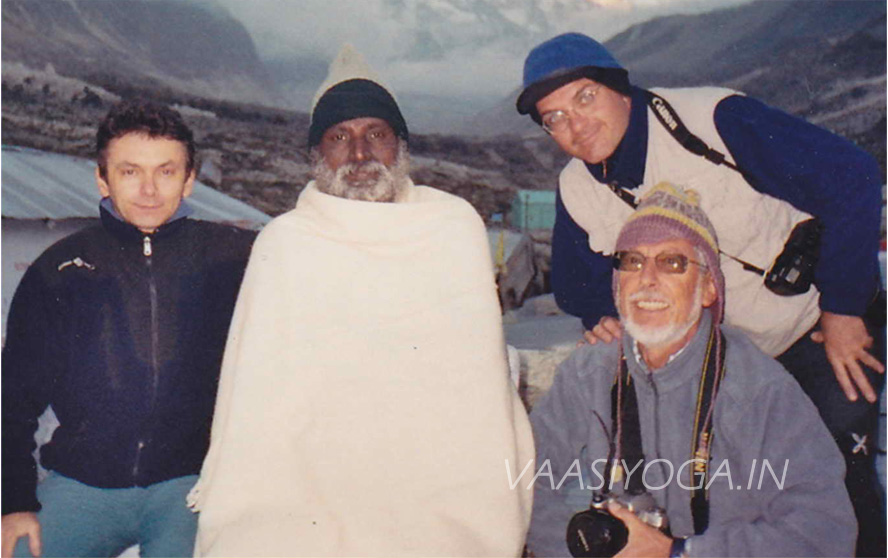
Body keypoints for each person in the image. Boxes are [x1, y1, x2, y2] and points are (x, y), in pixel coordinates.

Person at [515, 32, 885, 556]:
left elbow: (852, 176)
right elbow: (576, 282)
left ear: (622, 90)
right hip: (721, 363)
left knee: (837, 480)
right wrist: (600, 313)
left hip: (815, 328)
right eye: (554, 118)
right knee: (726, 493)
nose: (574, 124)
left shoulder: (713, 120)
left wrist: (844, 307)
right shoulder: (578, 186)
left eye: (584, 97)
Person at [188, 44, 535, 557]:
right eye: (339, 138)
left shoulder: (451, 226)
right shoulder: (286, 241)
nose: (359, 154)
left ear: (401, 145)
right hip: (308, 485)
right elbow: (257, 401)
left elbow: (473, 394)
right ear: (315, 156)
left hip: (432, 485)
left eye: (376, 134)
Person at [525, 182, 856, 557]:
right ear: (617, 286)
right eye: (632, 261)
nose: (647, 279)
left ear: (708, 289)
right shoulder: (588, 372)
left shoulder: (758, 388)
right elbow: (523, 482)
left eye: (672, 263)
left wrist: (680, 552)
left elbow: (825, 532)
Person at [1, 100, 256, 558]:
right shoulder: (60, 268)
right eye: (129, 172)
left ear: (189, 178)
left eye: (166, 171)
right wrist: (14, 502)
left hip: (190, 487)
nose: (149, 191)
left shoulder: (235, 257)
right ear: (102, 178)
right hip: (84, 483)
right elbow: (13, 398)